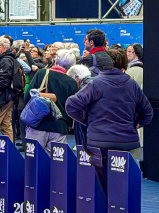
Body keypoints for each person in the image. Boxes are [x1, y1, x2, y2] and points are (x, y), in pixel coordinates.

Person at [65, 48, 152, 193]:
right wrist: (135, 124)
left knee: (99, 189)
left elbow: (71, 105)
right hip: (127, 143)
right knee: (124, 190)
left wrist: (88, 121)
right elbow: (147, 113)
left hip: (99, 142)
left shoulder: (95, 83)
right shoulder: (132, 85)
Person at [25, 49, 79, 149]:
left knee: (33, 161)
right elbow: (72, 108)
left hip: (38, 124)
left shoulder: (41, 73)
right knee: (57, 162)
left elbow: (27, 96)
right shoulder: (72, 82)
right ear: (72, 65)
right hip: (59, 126)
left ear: (56, 61)